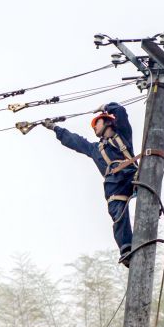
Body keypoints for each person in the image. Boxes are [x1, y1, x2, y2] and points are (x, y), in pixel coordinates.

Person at [43, 102, 136, 266]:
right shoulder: (95, 149)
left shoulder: (123, 135)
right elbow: (75, 141)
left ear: (107, 121)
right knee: (118, 215)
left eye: (96, 123)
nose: (94, 128)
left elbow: (120, 111)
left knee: (146, 189)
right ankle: (126, 248)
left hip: (131, 174)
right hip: (113, 184)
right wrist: (56, 128)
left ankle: (152, 208)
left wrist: (107, 106)